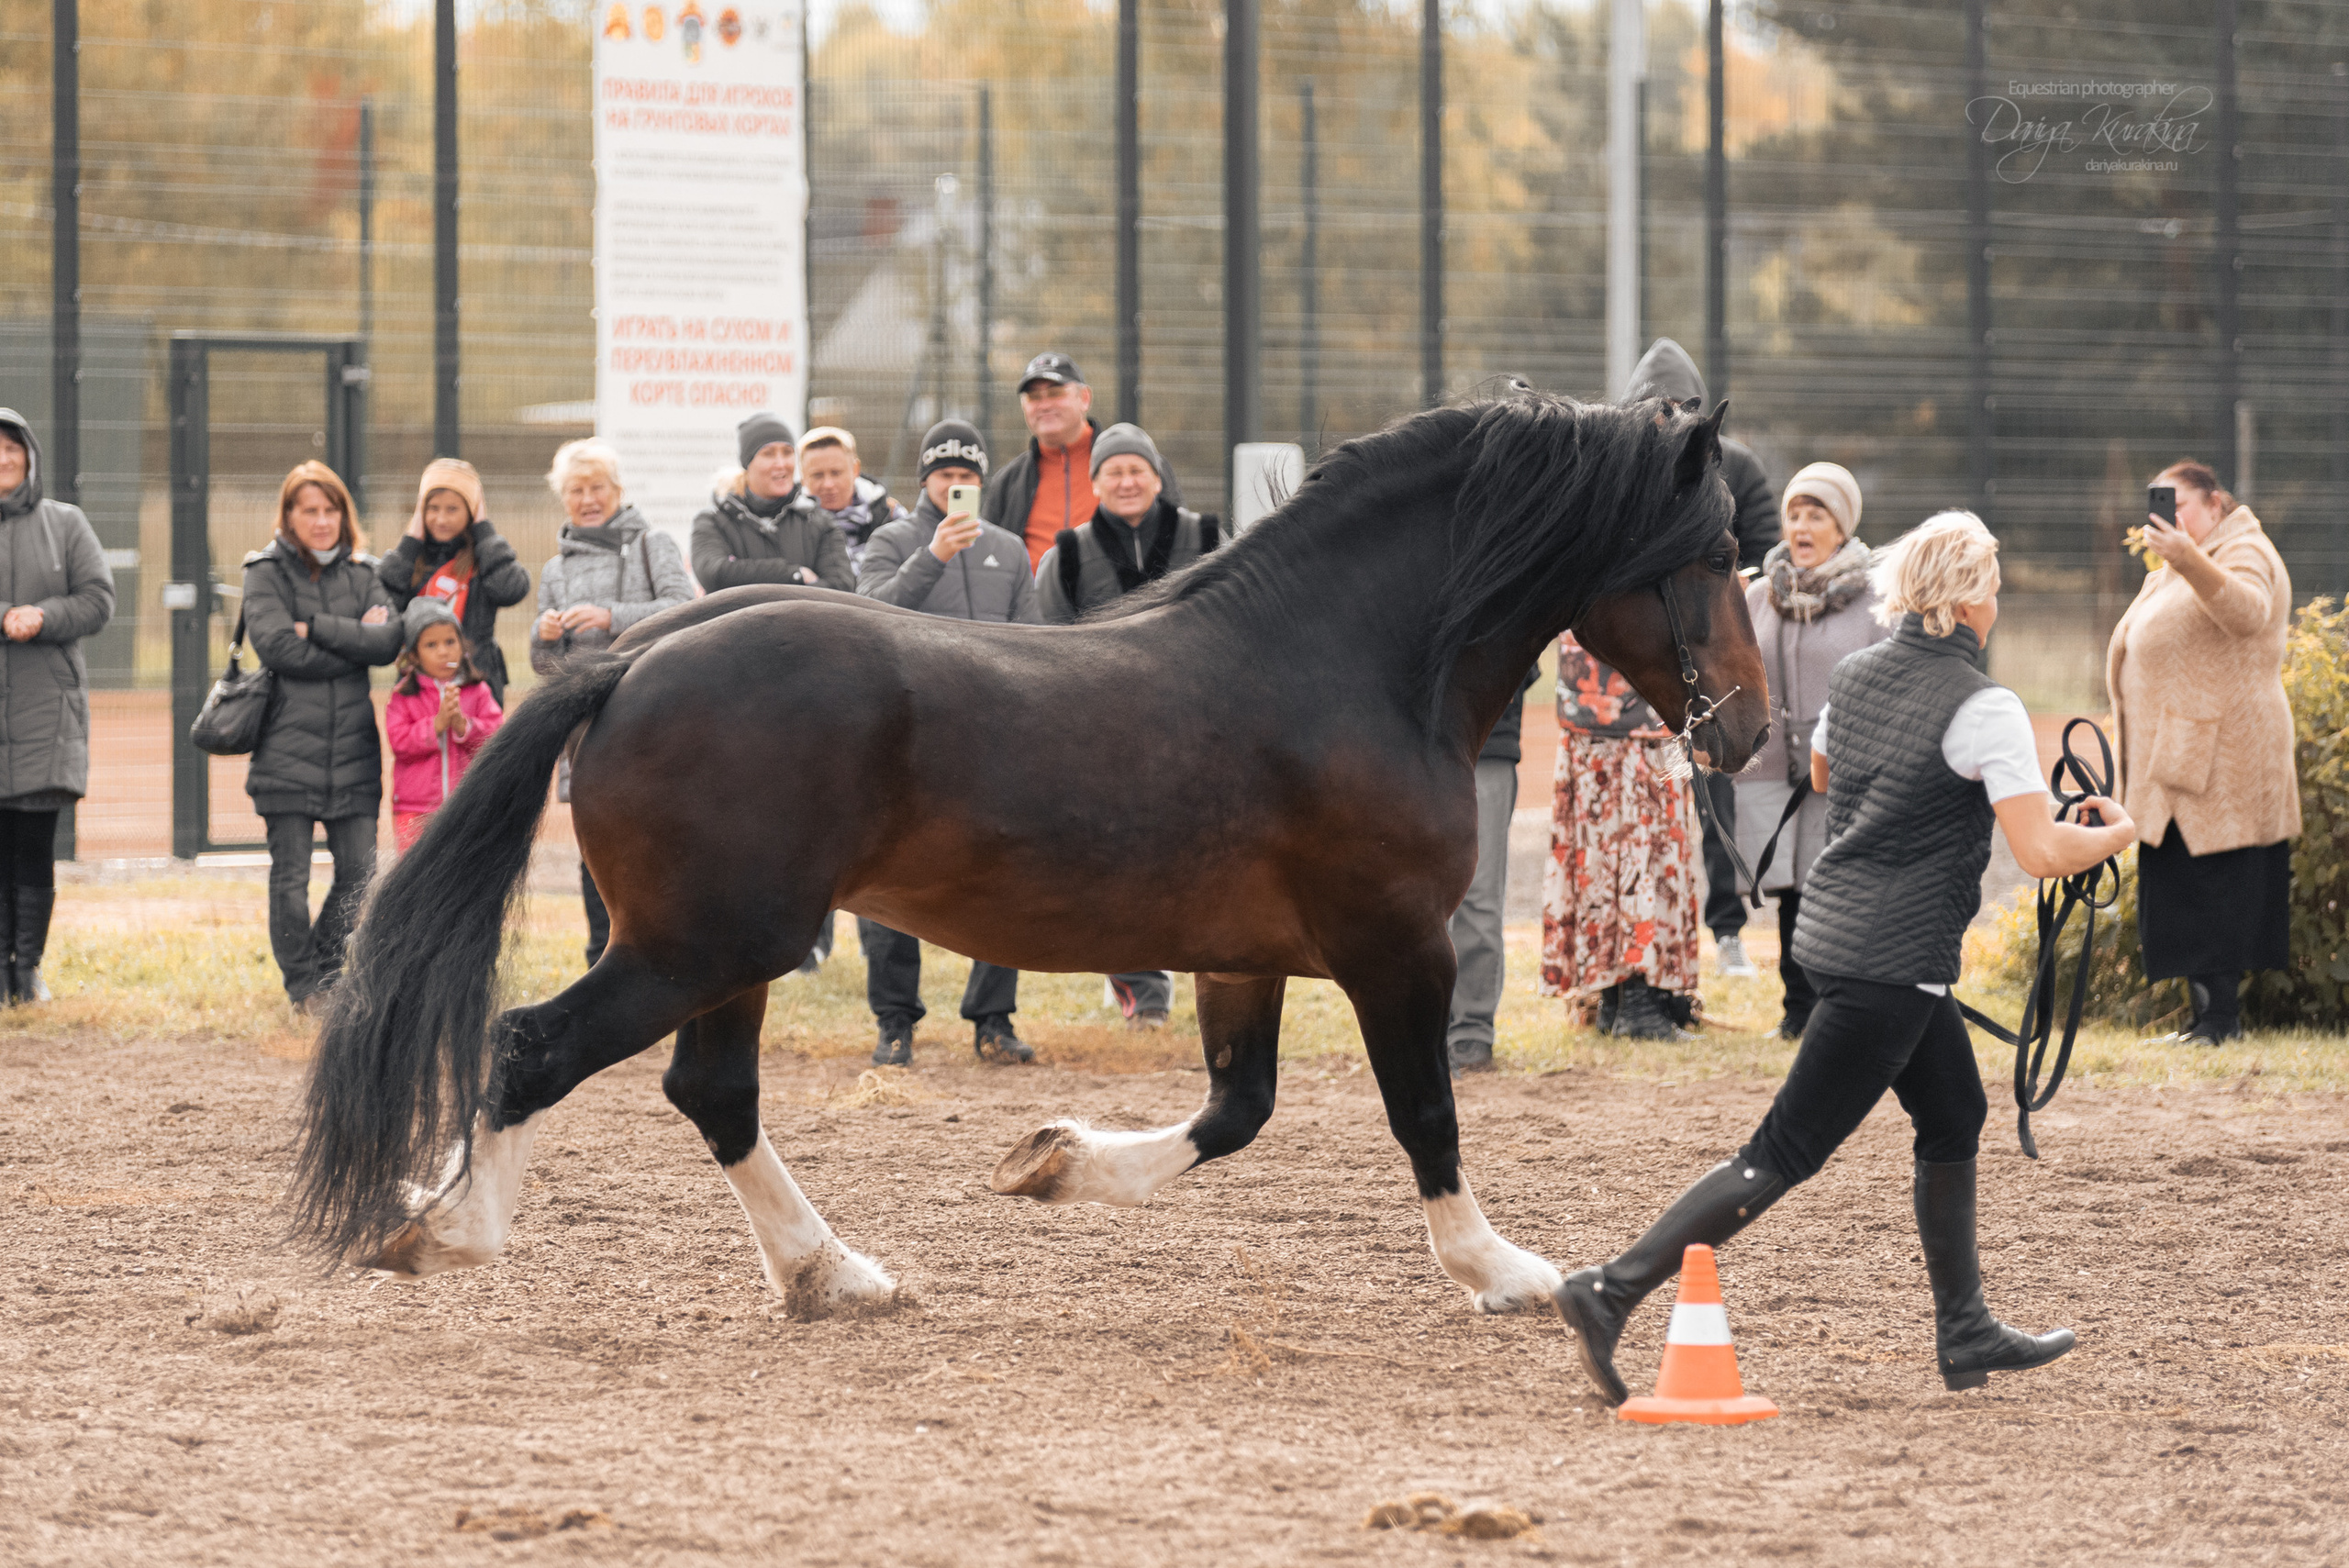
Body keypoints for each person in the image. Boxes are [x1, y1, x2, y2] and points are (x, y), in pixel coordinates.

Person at [1557, 512, 2139, 1407]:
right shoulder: (1985, 706)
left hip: (1836, 936)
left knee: (1953, 1113)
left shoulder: (1857, 674)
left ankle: (1964, 1327)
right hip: (1891, 959)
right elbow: (2040, 852)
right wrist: (2115, 832)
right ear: (1966, 596)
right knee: (1778, 1152)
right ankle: (1610, 1288)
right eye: (1990, 580)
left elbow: (1826, 774)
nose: (1996, 594)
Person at [855, 420, 1037, 1066]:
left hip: (992, 738)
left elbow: (1033, 640)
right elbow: (869, 609)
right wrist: (931, 555)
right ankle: (895, 1021)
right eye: (944, 476)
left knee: (1003, 873)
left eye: (967, 477)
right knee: (886, 875)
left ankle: (993, 1019)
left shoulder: (1011, 551)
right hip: (909, 735)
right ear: (925, 480)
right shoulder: (892, 539)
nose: (955, 486)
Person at [1031, 422, 1219, 1028]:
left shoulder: (1210, 536)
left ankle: (1215, 973)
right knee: (1114, 860)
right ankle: (1144, 992)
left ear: (1158, 477)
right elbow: (1048, 649)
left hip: (1198, 729)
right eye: (1113, 471)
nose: (1126, 480)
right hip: (1106, 737)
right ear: (1096, 484)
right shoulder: (1064, 557)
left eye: (1137, 468)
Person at [2107, 460, 2298, 1046]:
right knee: (2184, 886)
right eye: (2159, 508)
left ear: (2215, 504)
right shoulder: (2186, 561)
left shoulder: (2244, 550)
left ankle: (2220, 1023)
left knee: (2213, 888)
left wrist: (2189, 558)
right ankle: (2205, 1022)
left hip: (2224, 756)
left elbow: (2248, 613)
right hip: (2186, 752)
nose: (2168, 521)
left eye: (2180, 505)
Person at [1624, 338, 1779, 978]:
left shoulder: (1734, 464)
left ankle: (1726, 930)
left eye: (1677, 404)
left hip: (1711, 650)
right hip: (1642, 659)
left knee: (1717, 787)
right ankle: (1645, 944)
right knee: (1641, 809)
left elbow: (1768, 551)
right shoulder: (1624, 467)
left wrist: (1715, 583)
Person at [1733, 462, 1887, 1040]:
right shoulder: (1757, 596)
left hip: (1844, 772)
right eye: (1793, 513)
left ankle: (1838, 1011)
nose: (1800, 526)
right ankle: (1798, 1012)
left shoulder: (1876, 599)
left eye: (1815, 514)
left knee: (1834, 889)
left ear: (1841, 527)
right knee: (1790, 890)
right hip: (1773, 767)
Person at [242, 462, 401, 1012]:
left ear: (344, 515)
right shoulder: (264, 572)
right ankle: (303, 989)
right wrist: (352, 643)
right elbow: (277, 648)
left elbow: (387, 644)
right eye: (308, 509)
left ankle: (327, 975)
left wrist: (319, 628)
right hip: (285, 749)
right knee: (290, 879)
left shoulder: (365, 572)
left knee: (358, 873)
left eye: (330, 509)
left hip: (354, 750)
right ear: (288, 515)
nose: (320, 520)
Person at [534, 438, 693, 964]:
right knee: (596, 846)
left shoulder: (653, 543)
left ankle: (662, 949)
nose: (587, 498)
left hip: (653, 719)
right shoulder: (554, 571)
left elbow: (684, 610)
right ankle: (601, 957)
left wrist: (610, 616)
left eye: (597, 486)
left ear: (617, 490)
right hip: (588, 729)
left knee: (659, 838)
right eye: (576, 490)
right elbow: (543, 666)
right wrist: (547, 632)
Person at [0, 409, 115, 1005]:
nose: (3, 462)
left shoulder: (66, 523)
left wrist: (44, 616)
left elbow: (98, 599)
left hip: (47, 713)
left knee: (33, 846)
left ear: (29, 456)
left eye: (12, 451)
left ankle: (27, 973)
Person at [1537, 632, 1700, 1040]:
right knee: (1636, 858)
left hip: (1597, 729)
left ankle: (1618, 1000)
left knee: (1602, 860)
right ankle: (1635, 1004)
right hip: (1631, 734)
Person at [374, 458, 531, 706]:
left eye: (452, 509)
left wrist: (484, 530)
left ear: (471, 511)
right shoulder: (410, 561)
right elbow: (382, 601)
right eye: (432, 508)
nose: (441, 518)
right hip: (418, 688)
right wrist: (410, 542)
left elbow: (511, 590)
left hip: (477, 684)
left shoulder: (484, 558)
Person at [1448, 663, 1541, 1073]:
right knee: (1406, 896)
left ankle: (1471, 1030)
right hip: (1412, 746)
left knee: (1478, 895)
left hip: (1486, 746)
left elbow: (1524, 662)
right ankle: (1417, 1028)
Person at [688, 413, 855, 594]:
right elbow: (715, 574)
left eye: (787, 452)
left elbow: (841, 587)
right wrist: (794, 574)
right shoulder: (713, 521)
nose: (781, 464)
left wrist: (746, 577)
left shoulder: (817, 520)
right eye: (768, 454)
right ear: (747, 463)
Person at [385, 598, 504, 851]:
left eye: (450, 642)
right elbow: (399, 742)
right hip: (416, 812)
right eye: (431, 645)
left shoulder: (478, 691)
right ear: (414, 656)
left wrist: (464, 726)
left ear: (462, 645)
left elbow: (497, 736)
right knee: (417, 881)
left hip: (468, 807)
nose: (443, 651)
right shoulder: (403, 696)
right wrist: (436, 725)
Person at [797, 426, 907, 574]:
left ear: (855, 469)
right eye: (817, 475)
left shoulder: (889, 514)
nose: (828, 484)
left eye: (836, 473)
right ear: (803, 477)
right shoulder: (789, 520)